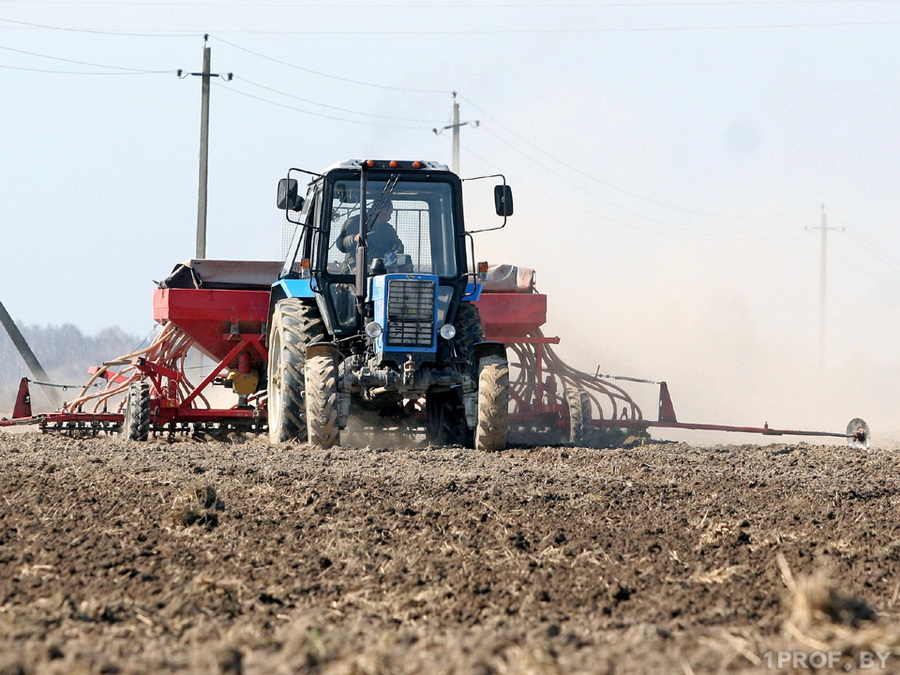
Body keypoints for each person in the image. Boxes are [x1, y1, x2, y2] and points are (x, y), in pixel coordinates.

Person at [336, 200, 404, 263]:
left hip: (381, 266)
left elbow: (398, 245)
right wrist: (354, 239)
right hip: (356, 265)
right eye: (389, 213)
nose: (390, 218)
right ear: (382, 211)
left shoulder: (388, 229)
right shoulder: (355, 222)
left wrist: (397, 247)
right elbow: (340, 244)